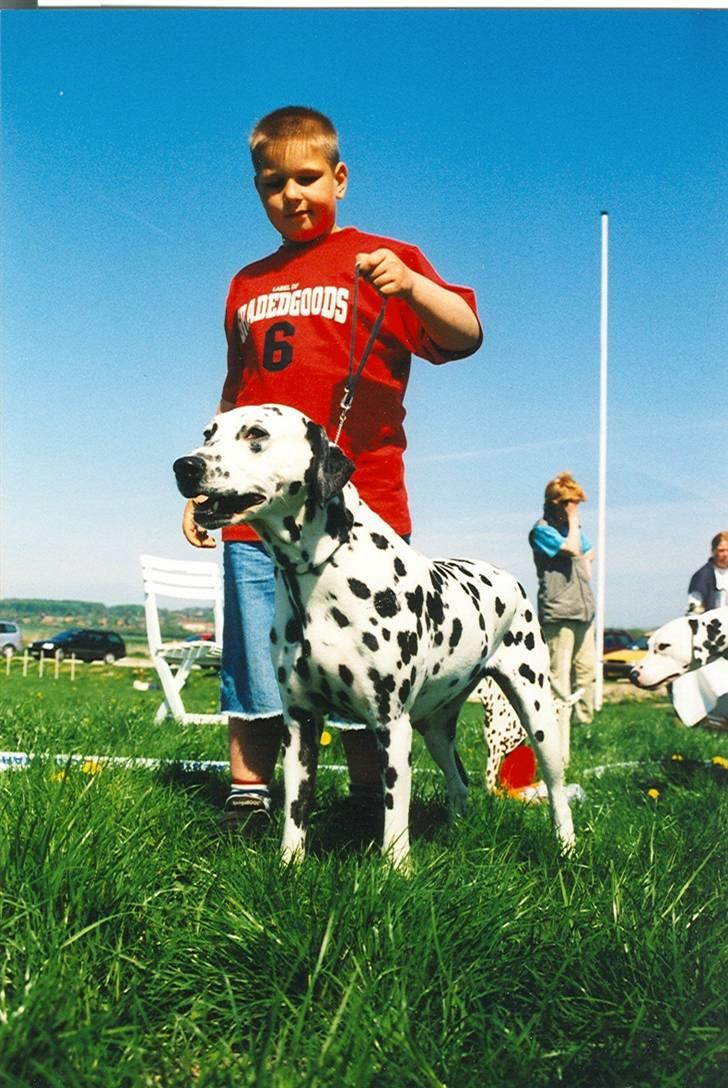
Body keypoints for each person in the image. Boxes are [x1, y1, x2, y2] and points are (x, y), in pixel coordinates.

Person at [182, 106, 482, 827]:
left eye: (308, 178)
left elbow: (466, 334)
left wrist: (412, 286)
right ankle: (251, 795)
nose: (291, 194)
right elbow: (237, 393)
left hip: (360, 509)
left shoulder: (385, 258)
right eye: (271, 182)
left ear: (340, 178)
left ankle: (364, 803)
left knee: (370, 660)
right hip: (258, 515)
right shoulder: (246, 283)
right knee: (259, 652)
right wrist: (210, 489)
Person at [528, 471, 595, 769]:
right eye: (570, 504)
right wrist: (573, 520)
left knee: (587, 673)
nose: (575, 508)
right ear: (555, 504)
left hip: (583, 610)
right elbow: (572, 548)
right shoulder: (541, 530)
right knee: (560, 680)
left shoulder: (570, 528)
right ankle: (559, 746)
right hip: (559, 612)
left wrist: (583, 561)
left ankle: (586, 731)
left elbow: (588, 551)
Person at [687, 531, 728, 614]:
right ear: (713, 551)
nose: (725, 554)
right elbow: (694, 609)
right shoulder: (702, 576)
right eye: (721, 550)